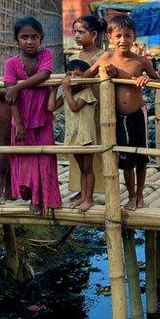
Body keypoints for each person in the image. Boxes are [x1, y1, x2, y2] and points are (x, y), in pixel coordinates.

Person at [83, 15, 158, 210]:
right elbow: (85, 75)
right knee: (125, 158)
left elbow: (158, 80)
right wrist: (99, 65)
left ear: (134, 37)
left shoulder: (140, 61)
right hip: (117, 117)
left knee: (141, 156)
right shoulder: (106, 58)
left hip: (137, 115)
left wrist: (147, 80)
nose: (123, 40)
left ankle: (140, 195)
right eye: (118, 36)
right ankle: (131, 195)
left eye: (127, 36)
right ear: (110, 38)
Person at [4, 17, 60, 213]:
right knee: (25, 160)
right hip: (21, 120)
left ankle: (43, 200)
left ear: (41, 38)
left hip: (42, 117)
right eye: (24, 37)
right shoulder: (11, 63)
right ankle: (31, 197)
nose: (29, 41)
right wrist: (18, 123)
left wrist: (18, 86)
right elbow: (10, 97)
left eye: (34, 37)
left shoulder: (45, 54)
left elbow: (44, 74)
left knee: (44, 158)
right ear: (17, 40)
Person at [49, 60, 98, 212]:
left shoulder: (86, 93)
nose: (72, 77)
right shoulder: (67, 94)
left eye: (77, 74)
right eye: (69, 74)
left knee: (88, 168)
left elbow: (75, 107)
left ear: (85, 76)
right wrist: (54, 89)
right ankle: (83, 196)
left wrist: (66, 90)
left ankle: (89, 199)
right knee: (82, 168)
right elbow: (51, 107)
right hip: (73, 137)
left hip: (86, 137)